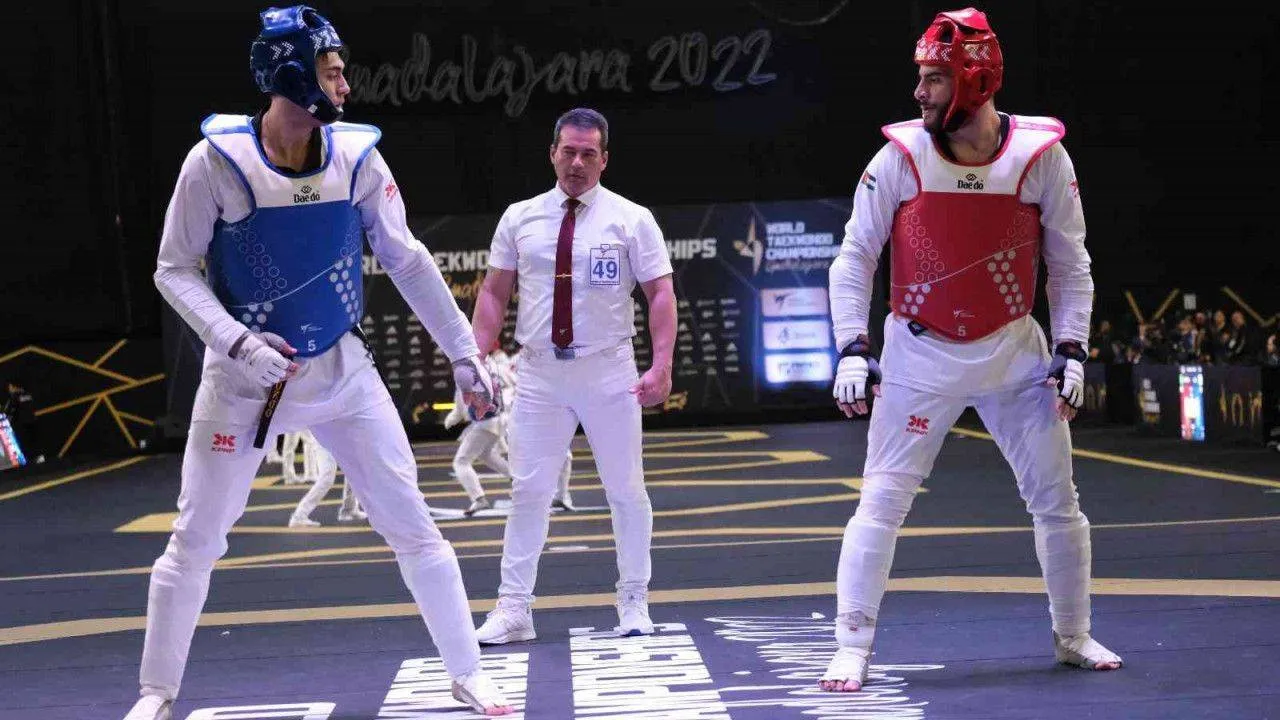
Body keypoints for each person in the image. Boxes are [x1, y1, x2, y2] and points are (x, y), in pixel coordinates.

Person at [121, 7, 512, 719]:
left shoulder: (357, 157)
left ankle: (468, 674)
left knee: (414, 525)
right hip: (242, 381)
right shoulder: (215, 162)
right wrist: (238, 343)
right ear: (293, 74)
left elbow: (406, 258)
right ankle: (155, 694)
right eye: (332, 71)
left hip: (342, 371)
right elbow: (173, 268)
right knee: (196, 538)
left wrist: (463, 353)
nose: (344, 84)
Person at [821, 7, 1122, 693]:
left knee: (1058, 500)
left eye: (933, 78)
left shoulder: (1041, 157)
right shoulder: (899, 156)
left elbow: (1070, 263)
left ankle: (1073, 635)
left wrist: (1072, 348)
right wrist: (851, 347)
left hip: (1014, 351)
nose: (919, 92)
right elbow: (854, 257)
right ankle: (851, 645)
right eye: (921, 77)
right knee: (881, 502)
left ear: (974, 81)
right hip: (917, 354)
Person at [468, 108, 676, 644]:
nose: (577, 162)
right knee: (528, 491)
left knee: (625, 489)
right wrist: (475, 361)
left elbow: (660, 293)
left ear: (604, 159)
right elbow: (493, 292)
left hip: (609, 369)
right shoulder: (520, 217)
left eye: (588, 153)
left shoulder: (632, 218)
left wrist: (662, 365)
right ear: (552, 153)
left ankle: (634, 599)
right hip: (539, 372)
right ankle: (514, 608)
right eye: (568, 151)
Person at [288, 432, 366, 526]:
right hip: (323, 437)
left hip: (340, 436)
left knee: (354, 469)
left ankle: (349, 509)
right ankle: (299, 516)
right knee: (327, 476)